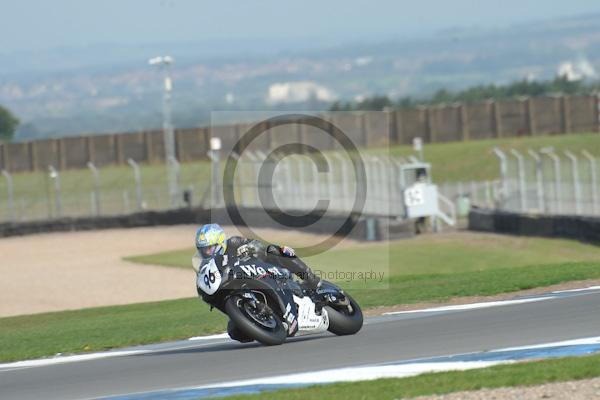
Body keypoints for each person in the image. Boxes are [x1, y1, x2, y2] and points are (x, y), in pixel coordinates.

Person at [193, 223, 321, 290]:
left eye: (210, 248)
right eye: (203, 250)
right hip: (244, 287)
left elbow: (257, 245)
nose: (207, 253)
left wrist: (250, 248)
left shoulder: (233, 243)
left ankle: (310, 278)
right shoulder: (207, 266)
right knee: (235, 332)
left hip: (267, 273)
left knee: (278, 250)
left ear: (220, 241)